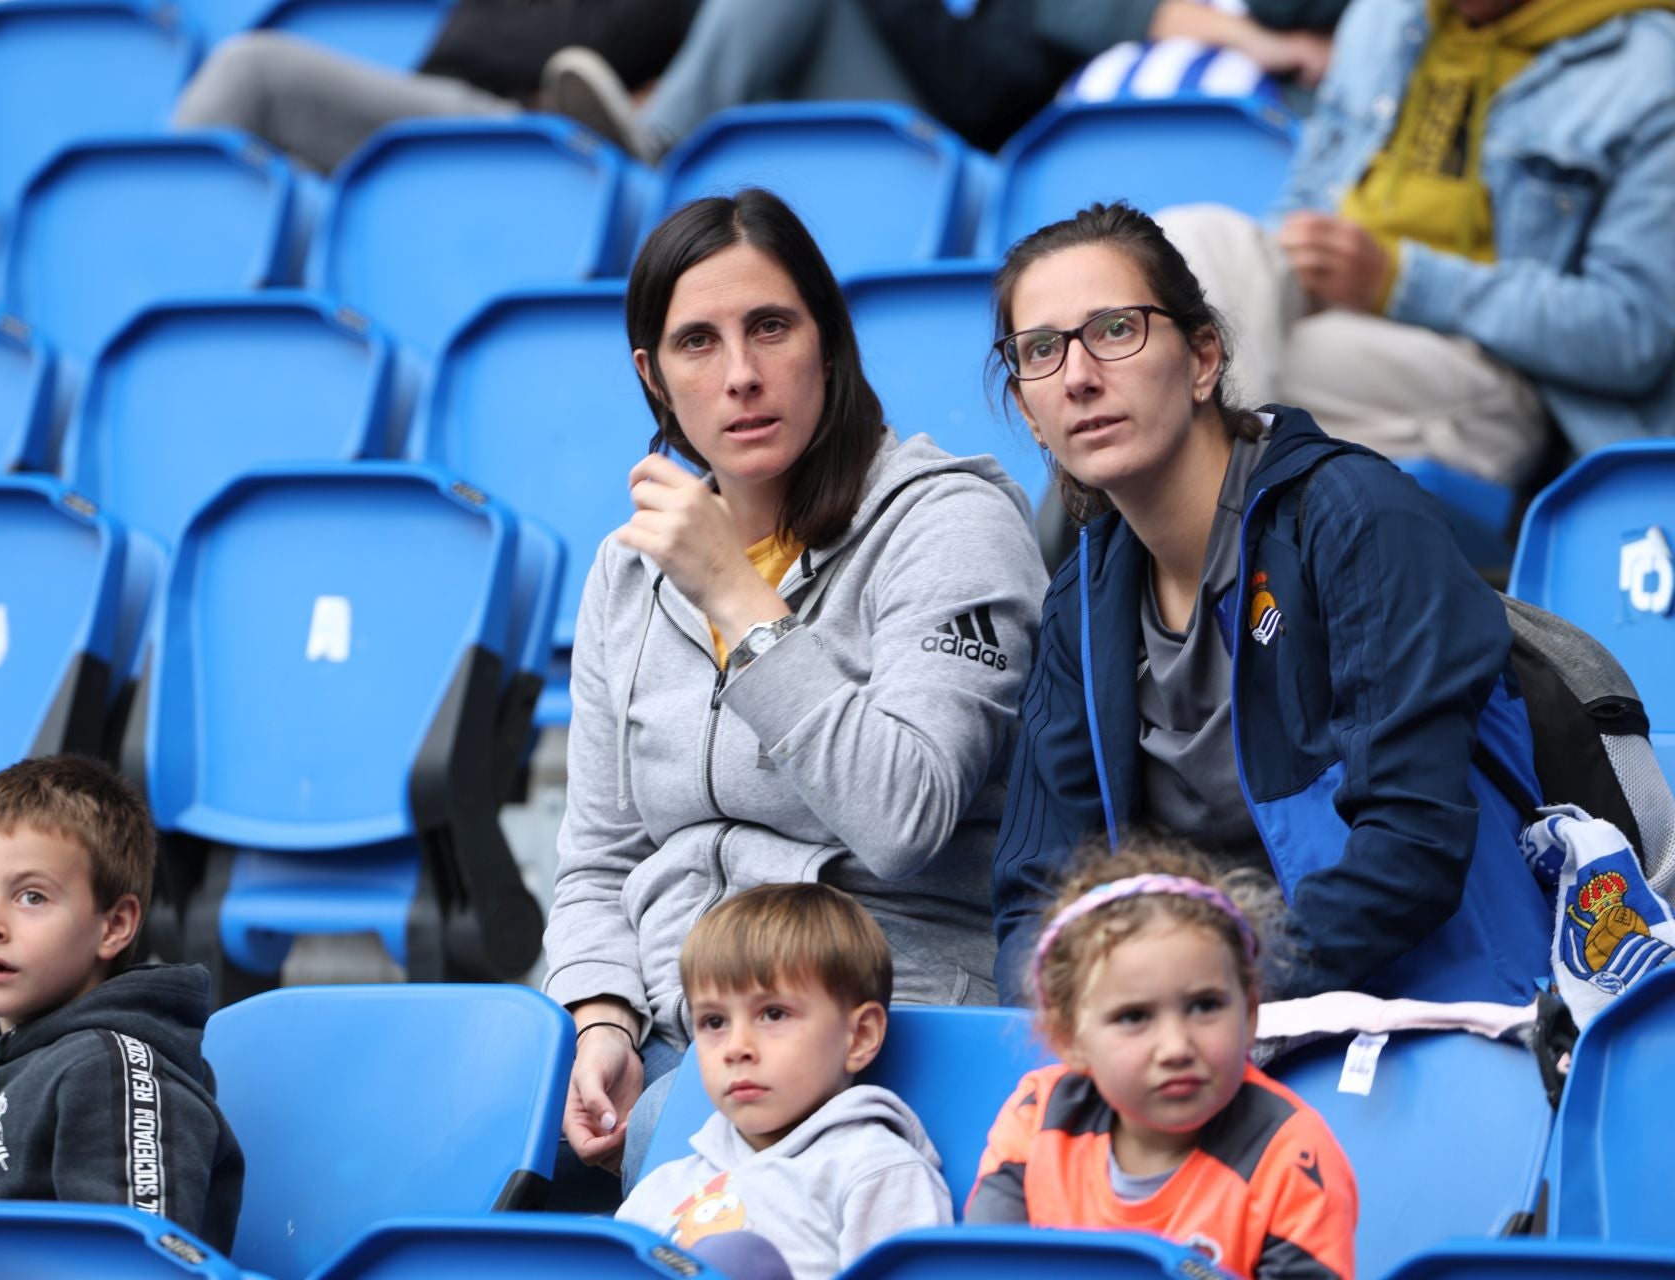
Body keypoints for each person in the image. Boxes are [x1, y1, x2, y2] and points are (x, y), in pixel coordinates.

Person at [545, 187, 1047, 1191]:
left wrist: (740, 599)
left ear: (828, 342)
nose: (740, 373)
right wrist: (602, 1015)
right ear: (652, 376)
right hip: (693, 1032)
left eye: (770, 327)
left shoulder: (949, 524)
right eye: (697, 342)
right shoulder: (628, 570)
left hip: (885, 1027)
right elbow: (599, 858)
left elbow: (904, 813)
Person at [988, 202, 1553, 1008]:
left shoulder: (1353, 517)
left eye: (1116, 330)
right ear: (1029, 412)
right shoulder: (1083, 596)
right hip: (1203, 1038)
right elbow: (1036, 900)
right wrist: (1094, 1017)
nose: (1078, 375)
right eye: (1042, 349)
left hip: (1438, 1013)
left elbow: (1412, 845)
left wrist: (1209, 995)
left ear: (1203, 359)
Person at [1156, 0, 1675, 485]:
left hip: (1488, 370)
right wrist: (1291, 258)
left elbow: (1632, 335)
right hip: (1329, 306)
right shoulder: (1385, 13)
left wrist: (1400, 281)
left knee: (1188, 370)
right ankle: (1219, 529)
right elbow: (1308, 192)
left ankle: (1190, 529)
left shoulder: (1649, 68)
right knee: (1194, 239)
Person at [970, 841, 1358, 1280]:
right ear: (1070, 1038)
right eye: (1134, 1017)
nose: (1176, 1047)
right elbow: (984, 1268)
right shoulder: (1038, 1116)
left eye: (1205, 1006)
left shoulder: (1293, 1156)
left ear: (1250, 1015)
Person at [0, 756, 244, 1251]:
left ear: (114, 926)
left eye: (31, 897)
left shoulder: (110, 1070)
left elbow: (140, 1260)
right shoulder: (0, 1046)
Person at [617, 884, 951, 1280]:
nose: (736, 1048)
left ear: (859, 1036)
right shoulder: (661, 1187)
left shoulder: (877, 1172)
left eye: (774, 1014)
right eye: (714, 1022)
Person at [546, 0, 1342, 161]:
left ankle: (657, 142)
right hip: (897, 101)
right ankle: (657, 142)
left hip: (963, 141)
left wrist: (1264, 40)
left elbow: (989, 90)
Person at [170, 0, 698, 172]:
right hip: (456, 101)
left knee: (251, 70)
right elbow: (470, 44)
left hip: (535, 125)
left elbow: (611, 40)